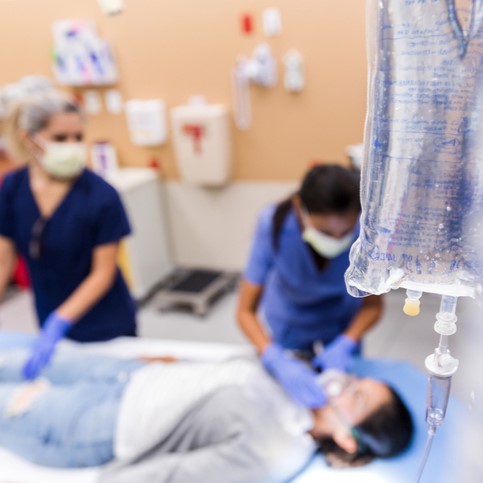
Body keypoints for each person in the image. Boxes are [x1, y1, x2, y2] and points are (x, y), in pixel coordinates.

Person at [0, 349, 413, 482]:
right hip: (129, 371)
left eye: (355, 397)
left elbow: (169, 476)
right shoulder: (294, 380)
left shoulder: (275, 450)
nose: (343, 383)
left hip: (97, 423)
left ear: (346, 439)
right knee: (16, 359)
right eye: (357, 379)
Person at [0, 90, 136, 379]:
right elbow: (3, 260)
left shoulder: (101, 195)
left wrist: (59, 322)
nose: (73, 146)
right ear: (30, 139)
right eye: (60, 138)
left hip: (105, 320)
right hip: (47, 310)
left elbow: (103, 273)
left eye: (78, 137)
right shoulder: (12, 189)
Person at [237, 164, 384, 408]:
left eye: (345, 231)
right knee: (291, 394)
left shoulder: (366, 231)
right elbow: (244, 311)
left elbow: (373, 306)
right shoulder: (273, 225)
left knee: (341, 382)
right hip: (290, 322)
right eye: (325, 231)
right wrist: (272, 356)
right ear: (300, 208)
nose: (337, 239)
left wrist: (346, 342)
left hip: (342, 322)